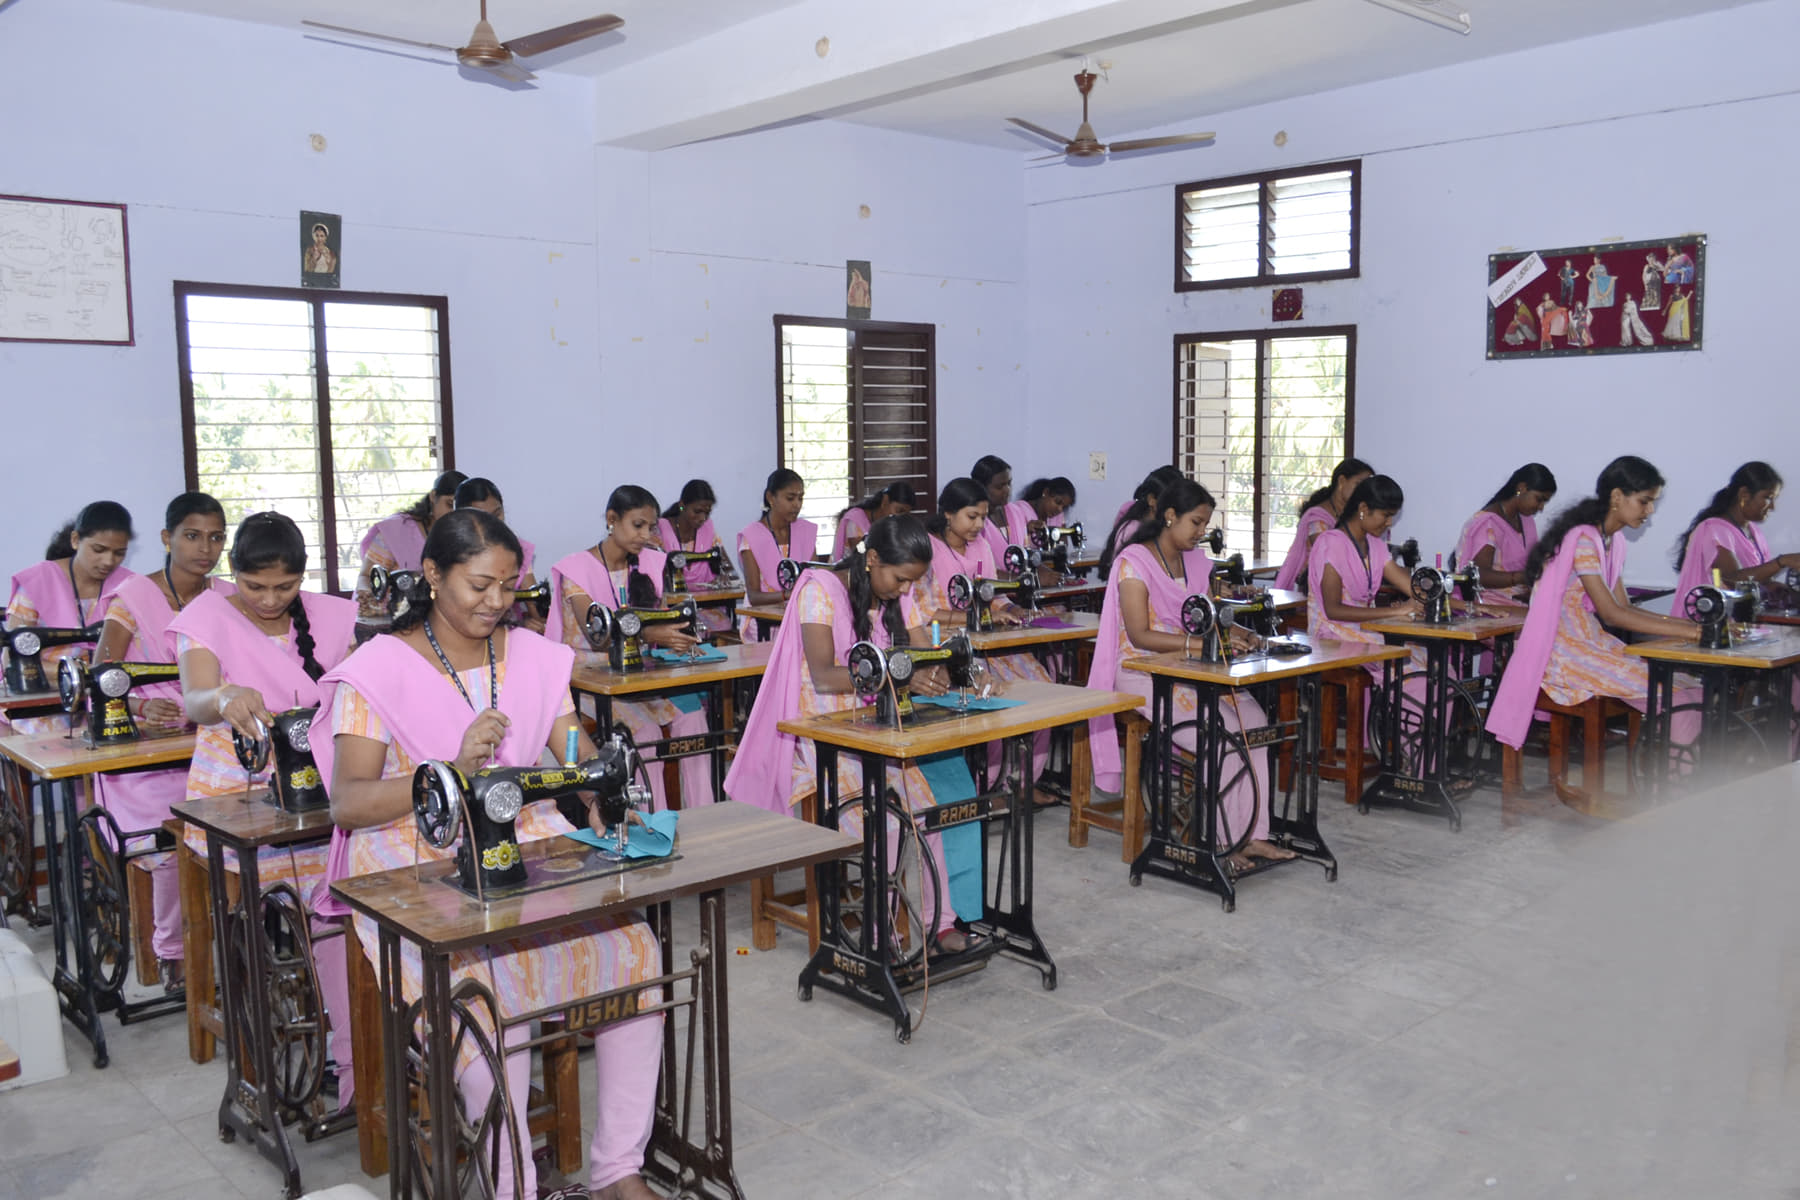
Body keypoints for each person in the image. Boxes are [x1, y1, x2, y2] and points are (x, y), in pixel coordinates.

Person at [315, 509, 661, 1200]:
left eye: (509, 586)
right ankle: (513, 1186)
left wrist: (598, 785)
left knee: (638, 960)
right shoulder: (375, 671)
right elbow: (348, 803)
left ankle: (620, 1169)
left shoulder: (532, 656)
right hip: (409, 867)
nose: (496, 602)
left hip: (521, 846)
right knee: (481, 1005)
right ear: (433, 576)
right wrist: (445, 770)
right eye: (479, 585)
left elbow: (568, 744)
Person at [169, 512, 359, 1102]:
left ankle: (351, 1054)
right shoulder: (206, 617)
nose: (270, 599)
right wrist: (223, 694)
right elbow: (196, 698)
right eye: (255, 587)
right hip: (238, 794)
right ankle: (266, 1052)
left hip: (323, 788)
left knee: (342, 914)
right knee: (254, 925)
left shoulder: (333, 615)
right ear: (233, 574)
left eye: (285, 587)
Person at [723, 514, 977, 951]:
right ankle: (880, 939)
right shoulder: (819, 589)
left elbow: (920, 649)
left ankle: (943, 926)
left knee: (928, 813)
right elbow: (823, 676)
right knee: (885, 823)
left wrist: (935, 669)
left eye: (909, 583)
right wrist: (902, 678)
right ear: (872, 558)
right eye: (899, 580)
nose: (903, 590)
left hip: (873, 726)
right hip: (821, 731)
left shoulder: (899, 587)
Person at [1086, 480, 1289, 874]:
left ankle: (1254, 833)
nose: (1201, 533)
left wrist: (1241, 634)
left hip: (1190, 667)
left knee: (1256, 725)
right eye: (1195, 523)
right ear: (1169, 516)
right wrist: (1201, 647)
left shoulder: (1197, 563)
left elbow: (1207, 619)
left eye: (1205, 524)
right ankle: (1220, 842)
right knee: (1220, 734)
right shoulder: (1134, 561)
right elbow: (1140, 634)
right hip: (1142, 669)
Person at [91, 493, 232, 991]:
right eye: (192, 536)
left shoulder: (225, 597)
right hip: (146, 762)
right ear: (166, 538)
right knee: (174, 839)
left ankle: (241, 942)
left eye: (216, 537)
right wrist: (141, 707)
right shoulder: (133, 600)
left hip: (210, 744)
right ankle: (175, 951)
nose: (205, 548)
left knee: (252, 828)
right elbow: (102, 677)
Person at [1487, 456, 1703, 753]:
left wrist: (1691, 628)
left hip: (1588, 643)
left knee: (1690, 687)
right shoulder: (1584, 540)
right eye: (1645, 501)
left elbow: (1624, 607)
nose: (1650, 511)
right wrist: (1691, 633)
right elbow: (1612, 613)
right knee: (1679, 698)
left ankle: (1672, 778)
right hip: (1562, 653)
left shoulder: (1612, 542)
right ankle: (1672, 789)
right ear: (1617, 497)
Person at [546, 486, 712, 810]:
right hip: (591, 677)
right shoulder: (576, 570)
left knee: (695, 719)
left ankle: (705, 816)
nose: (646, 535)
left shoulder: (650, 563)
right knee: (646, 734)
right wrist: (656, 635)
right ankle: (653, 824)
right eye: (638, 525)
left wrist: (674, 636)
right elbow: (598, 636)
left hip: (638, 669)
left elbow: (658, 616)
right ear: (611, 520)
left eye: (651, 527)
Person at [914, 479, 1052, 793]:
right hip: (950, 644)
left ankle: (1021, 783)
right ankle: (986, 786)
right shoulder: (927, 548)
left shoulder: (982, 546)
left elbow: (991, 594)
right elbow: (925, 613)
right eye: (972, 516)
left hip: (988, 641)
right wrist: (980, 617)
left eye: (983, 517)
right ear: (948, 513)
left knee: (1041, 689)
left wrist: (1010, 609)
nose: (979, 525)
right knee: (990, 695)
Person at [6, 501, 137, 734]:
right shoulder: (38, 583)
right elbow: (12, 660)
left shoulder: (129, 586)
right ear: (76, 540)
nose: (108, 561)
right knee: (58, 741)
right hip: (44, 695)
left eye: (119, 553)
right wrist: (83, 675)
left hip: (103, 692)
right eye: (99, 550)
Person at [1672, 462, 1800, 609]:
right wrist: (1782, 562)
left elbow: (1761, 582)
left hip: (1744, 621)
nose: (1772, 507)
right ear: (1744, 494)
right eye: (1768, 498)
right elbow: (1733, 580)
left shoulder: (1753, 531)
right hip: (1711, 623)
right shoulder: (1714, 530)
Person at [353, 469, 467, 612]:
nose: (453, 513)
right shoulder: (398, 531)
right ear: (433, 496)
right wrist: (368, 596)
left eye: (460, 508)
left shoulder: (465, 539)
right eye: (449, 504)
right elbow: (366, 576)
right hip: (386, 618)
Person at [1455, 464, 1558, 604]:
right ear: (1521, 488)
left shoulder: (1527, 521)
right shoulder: (1487, 524)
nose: (1541, 508)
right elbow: (1479, 575)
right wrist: (1521, 578)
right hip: (1488, 603)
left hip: (1518, 601)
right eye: (1539, 499)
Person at [453, 477, 543, 634]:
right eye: (483, 516)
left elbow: (533, 603)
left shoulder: (515, 548)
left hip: (509, 628)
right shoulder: (452, 553)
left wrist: (529, 624)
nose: (493, 523)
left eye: (497, 514)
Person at [1272, 458, 1374, 591]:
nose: (1363, 493)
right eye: (1359, 485)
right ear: (1342, 481)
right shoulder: (1317, 518)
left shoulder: (1355, 515)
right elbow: (1329, 554)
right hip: (1312, 590)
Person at [657, 479, 736, 634]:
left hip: (704, 603)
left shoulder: (708, 529)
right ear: (682, 505)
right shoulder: (661, 530)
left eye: (707, 513)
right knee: (689, 630)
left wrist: (724, 576)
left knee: (724, 627)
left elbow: (729, 569)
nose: (702, 518)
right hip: (672, 605)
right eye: (697, 511)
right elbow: (653, 572)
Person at [736, 468, 816, 617]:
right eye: (790, 498)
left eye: (800, 498)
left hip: (798, 613)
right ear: (771, 498)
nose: (797, 505)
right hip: (762, 618)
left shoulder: (805, 531)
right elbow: (754, 597)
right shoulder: (752, 537)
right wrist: (787, 595)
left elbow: (814, 578)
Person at [1098, 465, 1185, 580]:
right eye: (1170, 503)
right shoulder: (1132, 530)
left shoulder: (1167, 528)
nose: (1174, 510)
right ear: (1152, 500)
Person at [831, 482, 916, 560]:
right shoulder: (855, 520)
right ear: (885, 501)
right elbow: (860, 553)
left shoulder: (890, 525)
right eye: (899, 511)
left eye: (905, 514)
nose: (900, 517)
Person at [969, 455, 1015, 564]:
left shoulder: (1015, 513)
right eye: (1000, 487)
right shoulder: (973, 521)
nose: (1007, 490)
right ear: (982, 487)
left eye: (1009, 483)